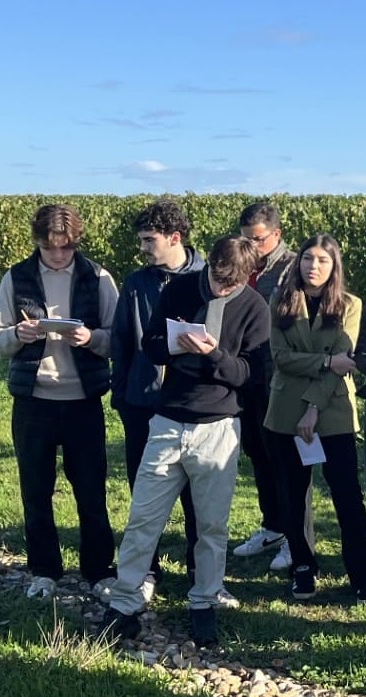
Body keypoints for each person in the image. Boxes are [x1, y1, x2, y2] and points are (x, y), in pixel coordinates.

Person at [100, 236, 270, 647]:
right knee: (144, 516)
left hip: (219, 426)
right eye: (214, 276)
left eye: (228, 284)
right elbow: (151, 345)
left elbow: (250, 374)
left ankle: (204, 601)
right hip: (168, 420)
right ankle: (124, 603)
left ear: (247, 277)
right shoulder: (179, 288)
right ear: (208, 264)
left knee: (212, 525)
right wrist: (175, 345)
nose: (218, 288)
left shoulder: (254, 308)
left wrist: (213, 355)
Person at [0, 204, 118, 599]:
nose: (59, 256)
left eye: (66, 248)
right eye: (51, 249)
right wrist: (18, 336)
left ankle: (98, 569)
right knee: (36, 489)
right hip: (34, 401)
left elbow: (119, 338)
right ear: (38, 243)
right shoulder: (18, 277)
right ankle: (44, 569)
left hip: (83, 401)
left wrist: (91, 339)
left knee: (91, 489)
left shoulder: (97, 277)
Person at [264, 234, 366, 600]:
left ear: (334, 265)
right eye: (308, 258)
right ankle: (303, 567)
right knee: (293, 494)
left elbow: (345, 360)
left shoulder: (350, 305)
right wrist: (323, 361)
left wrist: (312, 406)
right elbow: (280, 357)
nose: (314, 266)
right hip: (285, 411)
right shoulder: (281, 300)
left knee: (347, 494)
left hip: (332, 410)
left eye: (323, 260)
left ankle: (360, 571)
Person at [111, 200, 204, 598]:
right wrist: (123, 395)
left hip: (191, 405)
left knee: (196, 495)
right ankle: (145, 570)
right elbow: (121, 341)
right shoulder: (136, 282)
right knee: (143, 491)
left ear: (175, 238)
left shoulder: (207, 278)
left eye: (150, 240)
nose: (144, 248)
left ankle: (200, 570)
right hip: (142, 402)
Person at [234, 202, 303, 571]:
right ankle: (273, 525)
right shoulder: (243, 265)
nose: (249, 247)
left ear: (275, 235)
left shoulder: (294, 268)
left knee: (287, 461)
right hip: (246, 376)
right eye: (244, 239)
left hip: (281, 377)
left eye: (256, 240)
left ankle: (297, 539)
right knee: (259, 454)